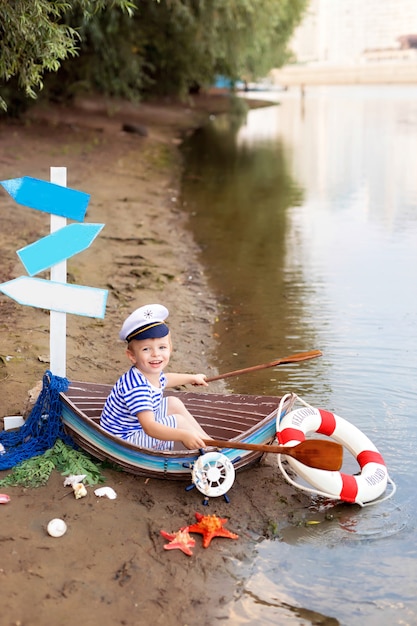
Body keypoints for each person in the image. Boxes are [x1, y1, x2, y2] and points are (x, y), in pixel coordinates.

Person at [100, 303, 210, 450]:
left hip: (134, 427)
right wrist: (183, 435)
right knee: (178, 421)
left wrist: (192, 378)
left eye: (162, 347)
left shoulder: (147, 373)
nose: (156, 354)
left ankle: (208, 442)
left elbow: (166, 379)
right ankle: (207, 448)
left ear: (170, 348)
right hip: (121, 441)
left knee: (173, 402)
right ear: (132, 356)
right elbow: (150, 428)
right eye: (146, 349)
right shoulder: (138, 388)